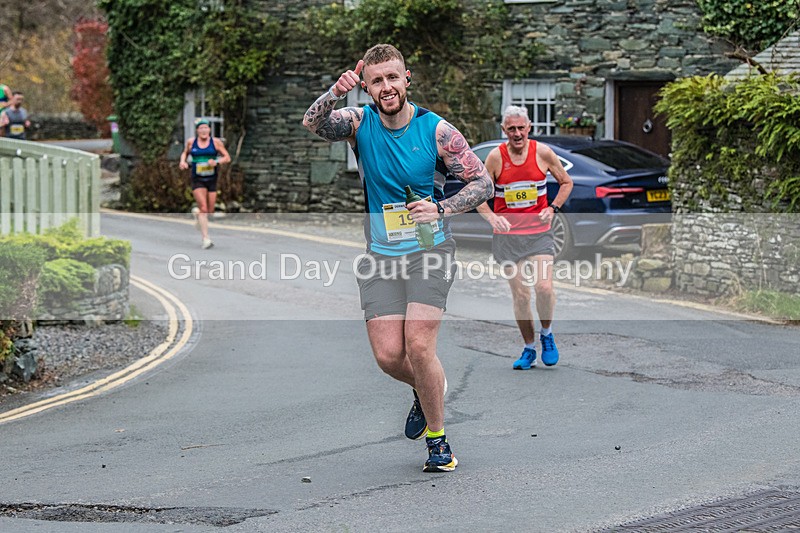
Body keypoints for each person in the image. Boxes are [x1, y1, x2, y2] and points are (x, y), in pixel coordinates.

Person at [303, 43, 493, 472]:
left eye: (393, 77)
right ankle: (427, 388)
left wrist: (441, 208)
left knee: (419, 346)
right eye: (376, 81)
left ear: (407, 79)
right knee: (390, 357)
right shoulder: (359, 123)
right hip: (381, 256)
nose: (386, 87)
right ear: (367, 87)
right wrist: (335, 92)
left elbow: (483, 183)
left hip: (430, 250)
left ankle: (438, 442)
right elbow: (313, 123)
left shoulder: (437, 130)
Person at [476, 105, 573, 370]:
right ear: (503, 130)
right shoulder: (495, 158)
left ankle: (547, 333)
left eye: (521, 128)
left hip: (538, 234)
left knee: (544, 288)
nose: (517, 133)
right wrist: (492, 218)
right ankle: (529, 348)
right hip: (508, 238)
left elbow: (566, 182)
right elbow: (478, 196)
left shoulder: (542, 153)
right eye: (511, 129)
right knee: (521, 295)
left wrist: (552, 208)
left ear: (529, 128)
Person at [179, 118, 231, 249]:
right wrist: (183, 162)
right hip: (197, 179)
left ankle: (198, 215)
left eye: (206, 128)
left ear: (209, 130)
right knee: (203, 208)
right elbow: (185, 153)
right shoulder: (191, 142)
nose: (203, 130)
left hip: (212, 179)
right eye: (201, 128)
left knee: (210, 212)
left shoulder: (216, 142)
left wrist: (216, 161)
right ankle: (206, 239)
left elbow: (227, 157)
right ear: (197, 130)